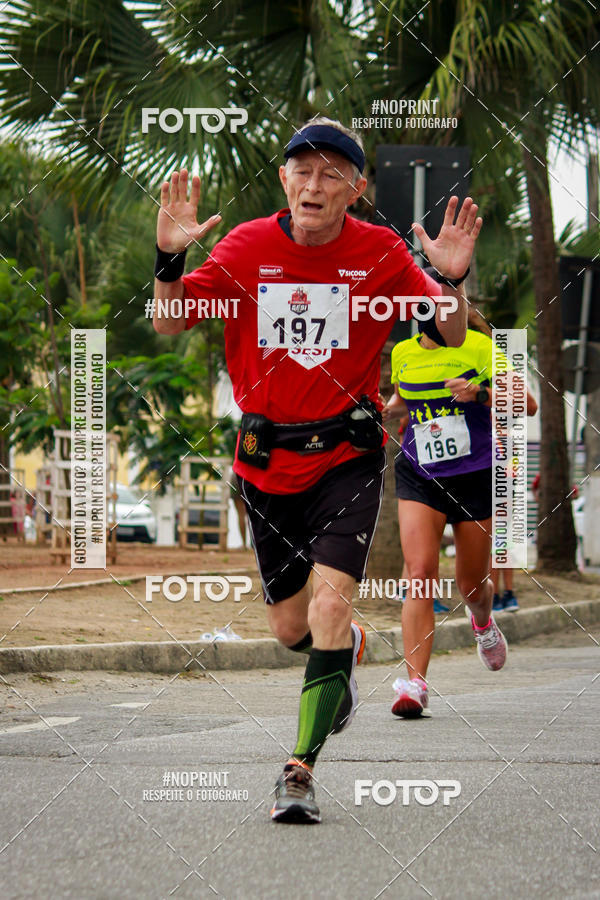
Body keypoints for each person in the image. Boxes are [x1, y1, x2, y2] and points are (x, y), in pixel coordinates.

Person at [153, 117, 482, 823]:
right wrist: (169, 262)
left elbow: (450, 331)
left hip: (347, 457)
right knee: (289, 627)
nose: (315, 183)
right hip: (266, 463)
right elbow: (171, 322)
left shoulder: (380, 253)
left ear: (356, 190)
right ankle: (347, 653)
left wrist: (450, 278)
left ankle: (298, 771)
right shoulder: (245, 247)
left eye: (333, 172)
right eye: (302, 169)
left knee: (331, 606)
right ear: (284, 180)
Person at [383, 306, 538, 718]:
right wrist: (382, 410)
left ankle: (483, 623)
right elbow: (402, 400)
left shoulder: (481, 347)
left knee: (470, 585)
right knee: (419, 573)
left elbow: (529, 404)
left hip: (475, 475)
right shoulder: (403, 352)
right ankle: (415, 683)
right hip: (419, 473)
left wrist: (480, 394)